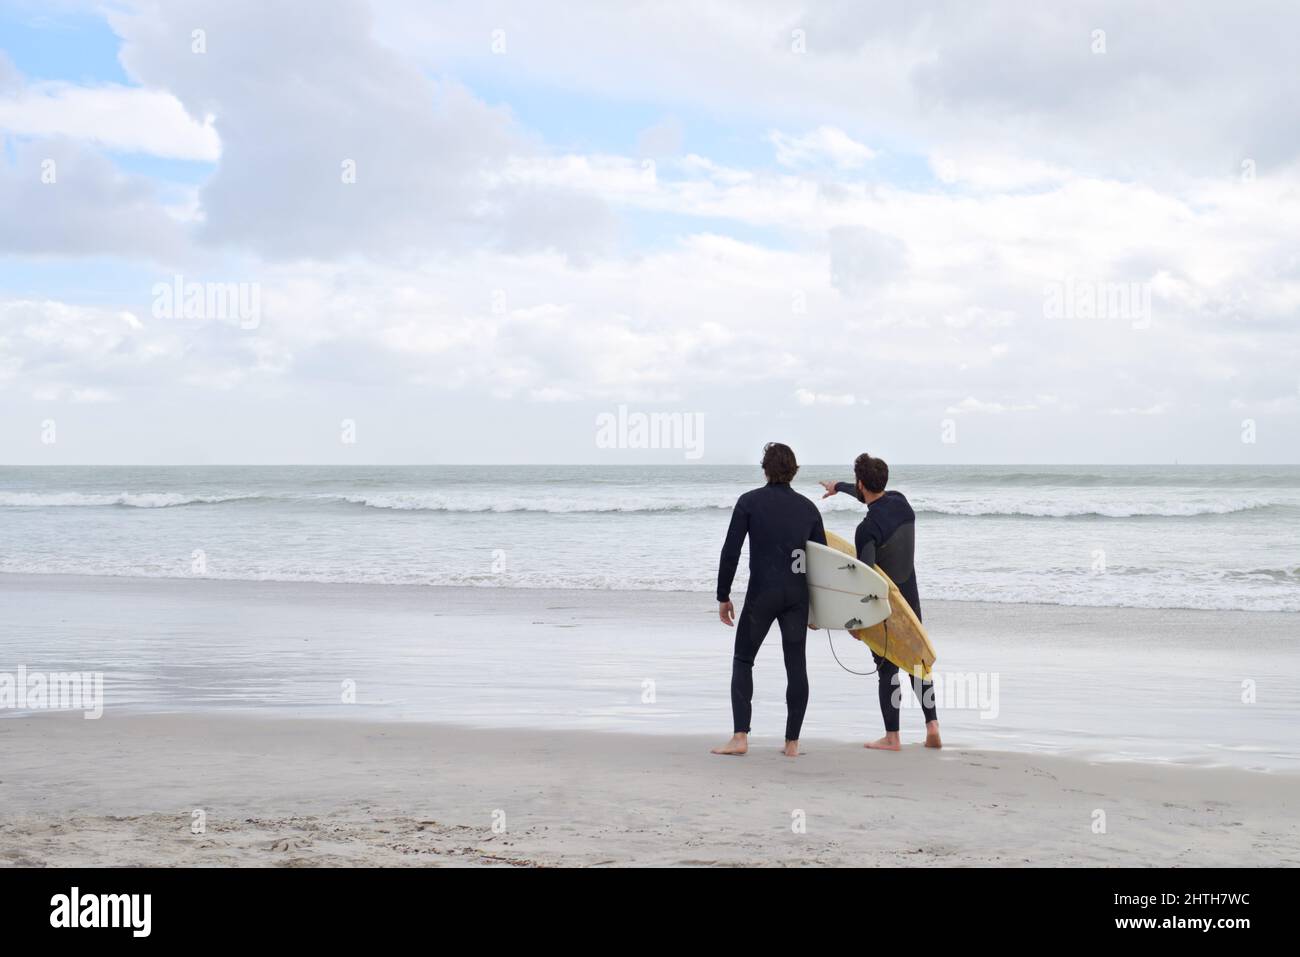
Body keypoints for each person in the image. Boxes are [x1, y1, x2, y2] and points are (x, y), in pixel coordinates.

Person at [820, 453, 941, 750]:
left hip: (887, 606)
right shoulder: (901, 502)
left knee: (887, 669)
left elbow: (868, 581)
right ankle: (932, 725)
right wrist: (839, 486)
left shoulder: (866, 530)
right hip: (910, 598)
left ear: (861, 484)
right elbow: (869, 496)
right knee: (916, 660)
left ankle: (892, 737)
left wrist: (857, 623)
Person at [714, 442, 826, 758]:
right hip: (796, 596)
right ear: (794, 470)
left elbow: (730, 551)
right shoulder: (808, 509)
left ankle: (740, 737)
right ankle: (792, 744)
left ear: (765, 468)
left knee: (743, 660)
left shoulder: (749, 502)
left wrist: (723, 595)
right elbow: (820, 563)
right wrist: (817, 610)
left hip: (762, 593)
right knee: (796, 665)